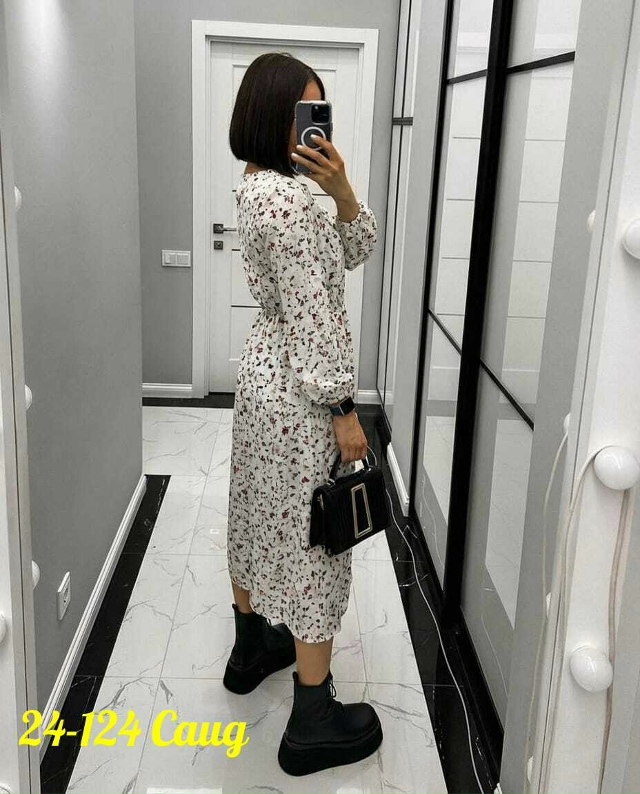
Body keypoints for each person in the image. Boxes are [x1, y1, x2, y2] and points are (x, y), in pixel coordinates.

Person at [224, 51, 382, 776]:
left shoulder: (260, 185)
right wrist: (344, 408)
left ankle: (252, 646)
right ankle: (312, 720)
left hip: (265, 376)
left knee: (258, 509)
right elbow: (316, 314)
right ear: (271, 117)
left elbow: (352, 251)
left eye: (319, 112)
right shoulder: (288, 204)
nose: (316, 127)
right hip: (300, 390)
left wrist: (343, 192)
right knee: (318, 538)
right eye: (302, 113)